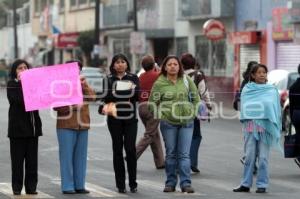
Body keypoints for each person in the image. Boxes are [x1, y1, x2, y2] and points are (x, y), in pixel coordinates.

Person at [148, 55, 200, 193]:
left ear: (179, 67)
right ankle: (170, 183)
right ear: (165, 67)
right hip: (168, 123)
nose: (172, 66)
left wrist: (193, 113)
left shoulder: (186, 80)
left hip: (186, 122)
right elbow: (152, 104)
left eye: (175, 64)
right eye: (169, 64)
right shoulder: (159, 83)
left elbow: (196, 98)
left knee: (184, 154)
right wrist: (161, 115)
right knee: (171, 154)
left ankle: (186, 184)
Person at [233, 64, 281, 193]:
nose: (262, 75)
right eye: (259, 72)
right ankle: (245, 184)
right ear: (253, 75)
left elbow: (275, 109)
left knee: (264, 158)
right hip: (251, 126)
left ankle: (262, 184)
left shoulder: (272, 90)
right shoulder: (247, 89)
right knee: (249, 156)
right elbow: (246, 107)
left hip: (266, 127)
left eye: (264, 72)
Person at [99, 54, 139, 193]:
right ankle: (120, 184)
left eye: (123, 62)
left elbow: (137, 95)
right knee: (117, 150)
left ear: (127, 64)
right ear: (113, 65)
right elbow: (104, 96)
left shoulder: (133, 77)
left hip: (130, 119)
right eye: (117, 62)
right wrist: (126, 91)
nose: (120, 64)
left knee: (130, 149)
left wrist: (117, 92)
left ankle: (133, 182)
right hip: (114, 119)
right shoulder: (108, 79)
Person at [54, 60, 96, 194]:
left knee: (81, 157)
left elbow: (93, 97)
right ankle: (67, 186)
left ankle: (80, 185)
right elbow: (57, 106)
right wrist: (72, 107)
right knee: (66, 157)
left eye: (78, 68)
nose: (76, 71)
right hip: (66, 125)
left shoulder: (83, 83)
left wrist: (84, 86)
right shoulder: (60, 85)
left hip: (83, 124)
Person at [7, 59, 42, 195]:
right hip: (17, 131)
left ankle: (31, 187)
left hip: (33, 129)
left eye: (25, 68)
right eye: (19, 68)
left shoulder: (34, 85)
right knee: (17, 162)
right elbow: (19, 101)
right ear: (15, 71)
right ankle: (16, 187)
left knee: (32, 162)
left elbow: (39, 99)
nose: (23, 70)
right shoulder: (11, 85)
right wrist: (23, 83)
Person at [180, 53, 211, 173]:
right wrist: (208, 105)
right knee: (196, 136)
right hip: (194, 108)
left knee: (181, 135)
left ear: (182, 64)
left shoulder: (178, 75)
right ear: (194, 63)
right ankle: (191, 162)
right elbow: (203, 91)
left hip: (179, 109)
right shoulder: (198, 75)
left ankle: (181, 162)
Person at [136, 55, 165, 169]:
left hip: (141, 107)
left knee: (154, 134)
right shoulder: (158, 75)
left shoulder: (140, 76)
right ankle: (132, 155)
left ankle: (160, 162)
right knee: (149, 135)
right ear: (153, 65)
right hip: (153, 106)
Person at [233, 61, 259, 175]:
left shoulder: (260, 82)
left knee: (255, 140)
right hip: (249, 115)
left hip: (255, 115)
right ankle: (249, 161)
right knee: (251, 140)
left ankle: (249, 160)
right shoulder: (246, 83)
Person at [289, 63, 300, 168]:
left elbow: (291, 104)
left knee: (298, 135)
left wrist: (292, 117)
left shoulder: (293, 86)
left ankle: (299, 156)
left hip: (296, 113)